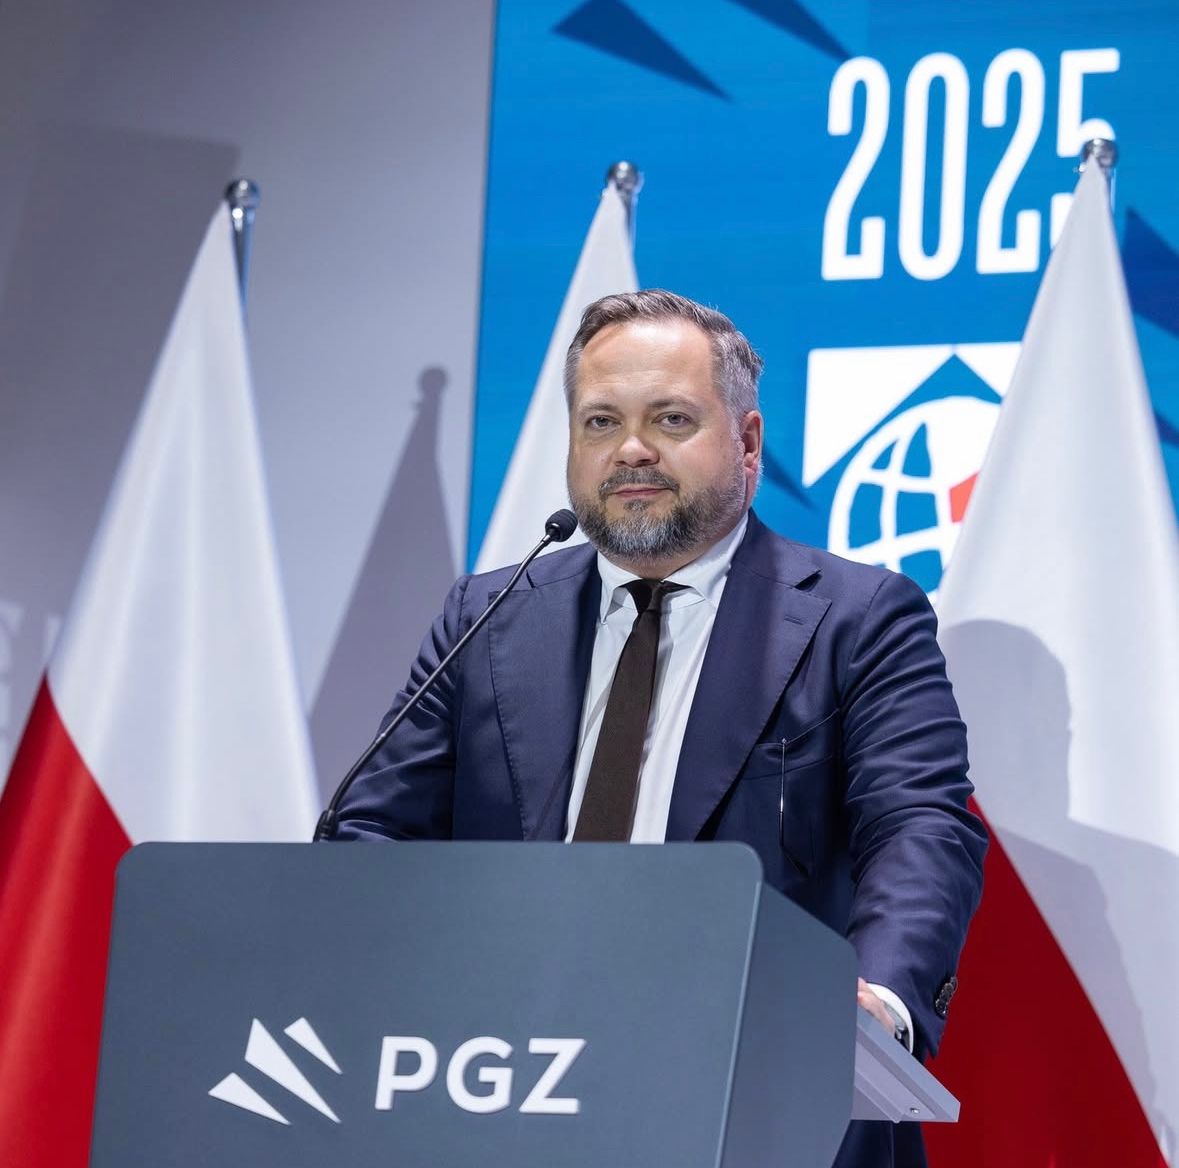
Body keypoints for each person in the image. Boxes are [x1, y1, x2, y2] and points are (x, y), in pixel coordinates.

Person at [336, 289, 987, 1167]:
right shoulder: (486, 616)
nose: (631, 449)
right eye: (600, 421)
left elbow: (917, 826)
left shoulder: (857, 618)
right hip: (504, 1083)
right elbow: (375, 830)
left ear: (747, 443)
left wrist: (876, 999)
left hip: (757, 1089)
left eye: (670, 418)